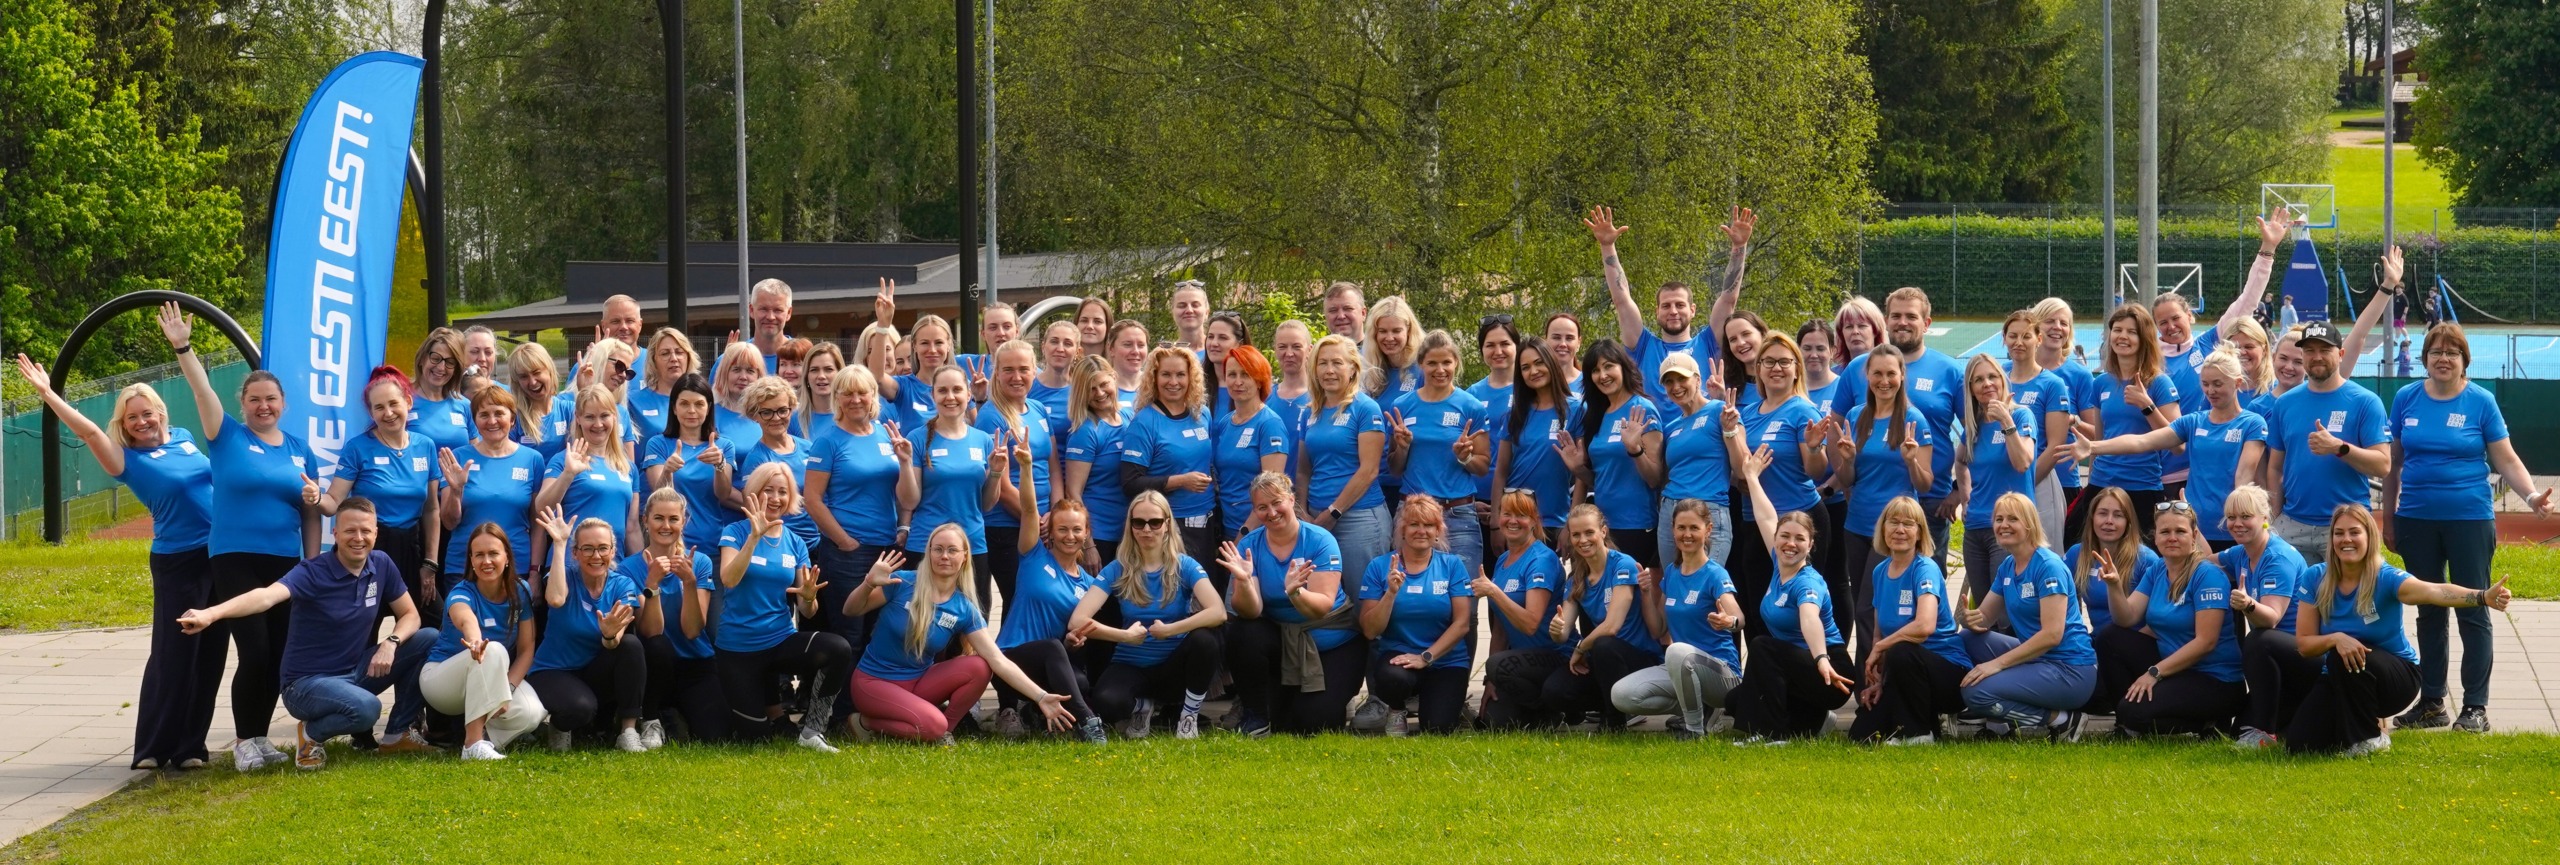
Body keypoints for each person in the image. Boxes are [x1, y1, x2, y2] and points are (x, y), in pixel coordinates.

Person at [15, 354, 219, 770]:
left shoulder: (183, 437)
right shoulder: (125, 459)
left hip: (219, 555)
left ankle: (190, 748)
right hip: (178, 561)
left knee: (210, 654)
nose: (141, 422)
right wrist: (48, 393)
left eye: (146, 413)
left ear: (160, 412)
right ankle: (154, 748)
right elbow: (89, 432)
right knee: (173, 653)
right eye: (131, 418)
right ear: (123, 425)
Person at [163, 302, 320, 771]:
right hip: (235, 558)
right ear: (243, 404)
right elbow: (201, 388)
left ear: (283, 403)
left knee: (277, 655)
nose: (263, 405)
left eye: (271, 399)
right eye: (254, 399)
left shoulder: (299, 450)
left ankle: (260, 736)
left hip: (286, 564)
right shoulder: (226, 435)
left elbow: (311, 512)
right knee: (254, 650)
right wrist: (183, 348)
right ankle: (243, 741)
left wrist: (312, 564)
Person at [176, 498, 437, 769]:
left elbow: (411, 615)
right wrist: (211, 614)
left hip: (355, 672)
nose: (358, 538)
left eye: (365, 531)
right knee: (367, 709)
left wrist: (390, 643)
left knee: (428, 638)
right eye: (350, 531)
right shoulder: (312, 572)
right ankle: (311, 734)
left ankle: (396, 735)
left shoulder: (381, 563)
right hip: (306, 685)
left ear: (375, 533)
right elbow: (265, 597)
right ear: (335, 533)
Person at [2384, 323, 2551, 732]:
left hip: (2470, 520)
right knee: (2429, 609)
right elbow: (2393, 464)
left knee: (2475, 608)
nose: (2443, 359)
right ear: (2424, 358)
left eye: (2452, 352)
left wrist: (2531, 497)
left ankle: (2475, 707)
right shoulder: (2406, 398)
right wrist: (2389, 518)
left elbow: (2506, 459)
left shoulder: (2481, 401)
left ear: (2464, 361)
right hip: (2416, 519)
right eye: (2436, 352)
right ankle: (2432, 703)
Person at [2285, 505, 2511, 755]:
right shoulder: (2315, 577)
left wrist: (2481, 596)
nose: (2346, 539)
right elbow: (2304, 645)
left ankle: (2370, 740)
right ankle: (2360, 726)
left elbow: (2434, 591)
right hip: (2340, 674)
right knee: (2300, 744)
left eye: (2354, 532)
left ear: (2369, 537)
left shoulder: (2386, 577)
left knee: (2343, 657)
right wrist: (2336, 638)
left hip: (2395, 678)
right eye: (2339, 533)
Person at [847, 525, 1077, 744]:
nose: (944, 556)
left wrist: (1040, 696)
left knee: (980, 666)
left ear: (964, 556)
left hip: (918, 682)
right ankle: (865, 722)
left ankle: (942, 731)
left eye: (952, 550)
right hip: (874, 682)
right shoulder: (903, 582)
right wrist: (868, 583)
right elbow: (851, 610)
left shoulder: (964, 608)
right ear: (929, 553)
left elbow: (997, 659)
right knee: (933, 724)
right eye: (938, 549)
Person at [1722, 446, 1855, 743]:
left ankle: (1772, 734)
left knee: (1762, 646)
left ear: (1810, 545)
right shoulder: (1778, 563)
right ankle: (1814, 719)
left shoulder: (1808, 582)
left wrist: (1821, 658)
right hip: (1797, 668)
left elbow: (1809, 618)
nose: (1790, 544)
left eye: (1799, 539)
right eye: (1785, 536)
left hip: (1830, 670)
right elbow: (1766, 515)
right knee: (1734, 701)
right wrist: (1751, 477)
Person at [714, 463, 852, 750]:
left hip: (779, 641)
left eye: (783, 491)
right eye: (769, 490)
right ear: (754, 493)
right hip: (739, 649)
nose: (775, 498)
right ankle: (771, 716)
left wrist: (809, 596)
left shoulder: (796, 542)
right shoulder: (734, 532)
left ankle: (812, 731)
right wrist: (754, 538)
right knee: (755, 740)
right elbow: (729, 578)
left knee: (838, 648)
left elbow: (807, 610)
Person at [2149, 210, 2287, 495]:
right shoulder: (2151, 361)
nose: (2171, 326)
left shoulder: (2209, 343)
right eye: (2162, 322)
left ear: (2190, 316)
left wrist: (2267, 250)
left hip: (2209, 468)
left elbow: (2247, 300)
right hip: (2165, 471)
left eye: (2176, 318)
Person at [2074, 352, 2266, 552]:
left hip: (2232, 527)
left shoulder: (2252, 423)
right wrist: (2093, 446)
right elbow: (2142, 441)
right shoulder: (2193, 421)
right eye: (2205, 384)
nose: (2210, 391)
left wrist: (2239, 519)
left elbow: (2243, 477)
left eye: (2218, 384)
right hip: (2195, 527)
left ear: (2237, 383)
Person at [1075, 491, 1228, 739]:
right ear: (1130, 526)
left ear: (1167, 524)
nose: (1147, 529)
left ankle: (1188, 717)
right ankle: (1142, 707)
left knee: (1206, 640)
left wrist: (1171, 630)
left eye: (1155, 522)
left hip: (1175, 667)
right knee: (1106, 704)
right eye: (1139, 522)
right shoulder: (1117, 568)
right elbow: (1078, 621)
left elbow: (1218, 611)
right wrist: (1124, 636)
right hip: (1131, 663)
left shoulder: (1185, 565)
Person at [2083, 500, 2243, 736]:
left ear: (2194, 536)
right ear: (2155, 537)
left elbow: (2206, 642)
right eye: (2165, 532)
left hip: (2215, 679)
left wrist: (2154, 673)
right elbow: (2126, 619)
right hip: (2175, 668)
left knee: (2133, 712)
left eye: (2180, 531)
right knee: (2110, 637)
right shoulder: (2158, 569)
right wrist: (2114, 586)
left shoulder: (2208, 575)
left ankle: (2209, 723)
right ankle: (2127, 722)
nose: (2172, 538)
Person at [988, 435, 1110, 743]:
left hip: (1050, 665)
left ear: (1087, 533)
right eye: (1062, 529)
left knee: (1078, 679)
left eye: (1077, 529)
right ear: (1051, 532)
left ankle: (1037, 714)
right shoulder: (1033, 556)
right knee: (1052, 648)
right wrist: (1026, 466)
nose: (1070, 536)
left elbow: (1069, 640)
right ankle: (1088, 722)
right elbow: (1029, 510)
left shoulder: (1088, 585)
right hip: (1009, 662)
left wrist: (1072, 642)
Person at [1219, 472, 1359, 736]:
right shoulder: (1249, 544)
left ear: (1291, 500)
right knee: (1243, 631)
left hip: (1331, 641)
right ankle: (1256, 717)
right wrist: (1245, 582)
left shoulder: (1320, 540)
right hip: (1281, 640)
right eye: (1262, 507)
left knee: (1312, 725)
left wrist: (1296, 593)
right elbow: (1250, 611)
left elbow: (1322, 607)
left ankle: (1337, 698)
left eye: (1276, 503)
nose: (1271, 513)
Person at [1828, 287, 1963, 560]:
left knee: (1926, 582)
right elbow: (1836, 429)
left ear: (1926, 323)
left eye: (1911, 316)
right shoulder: (1858, 368)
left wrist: (1958, 490)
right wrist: (1846, 482)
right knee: (1873, 583)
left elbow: (1974, 432)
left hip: (1932, 501)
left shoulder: (1949, 370)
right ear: (1886, 321)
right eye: (1896, 316)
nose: (1902, 322)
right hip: (1870, 503)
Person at [1960, 493, 2099, 741]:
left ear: (2029, 524)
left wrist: (1996, 664)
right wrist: (1969, 619)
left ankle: (2060, 720)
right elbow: (1985, 618)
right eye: (1999, 519)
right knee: (1968, 639)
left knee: (1976, 693)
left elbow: (2052, 635)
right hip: (2038, 661)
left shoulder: (2048, 566)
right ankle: (1999, 718)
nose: (2003, 525)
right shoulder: (2008, 566)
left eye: (2012, 519)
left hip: (2070, 669)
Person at [1827, 346, 1936, 660]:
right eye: (1877, 373)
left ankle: (1878, 672)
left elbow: (1924, 484)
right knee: (1863, 607)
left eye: (1891, 373)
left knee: (1871, 607)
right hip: (1858, 526)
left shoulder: (1913, 420)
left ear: (1902, 375)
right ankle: (1870, 676)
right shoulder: (1855, 416)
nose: (1884, 381)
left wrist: (1911, 462)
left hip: (1895, 532)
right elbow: (1848, 480)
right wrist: (1847, 461)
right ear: (1867, 376)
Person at [1588, 204, 1756, 406]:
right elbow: (1621, 300)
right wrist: (1607, 246)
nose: (1673, 311)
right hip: (1652, 426)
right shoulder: (1643, 346)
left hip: (1700, 425)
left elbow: (1728, 299)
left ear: (1692, 310)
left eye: (1680, 305)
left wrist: (1739, 246)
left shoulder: (1708, 342)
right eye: (1666, 306)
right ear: (1657, 311)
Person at [804, 365, 915, 667]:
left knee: (881, 633)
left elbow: (905, 495)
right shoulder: (828, 441)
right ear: (837, 398)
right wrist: (844, 541)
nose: (855, 400)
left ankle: (872, 694)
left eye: (862, 392)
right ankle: (843, 697)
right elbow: (812, 499)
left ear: (873, 395)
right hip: (848, 554)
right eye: (847, 393)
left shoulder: (885, 433)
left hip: (887, 549)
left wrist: (903, 525)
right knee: (849, 637)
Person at [321, 368, 443, 634]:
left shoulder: (425, 446)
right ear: (371, 412)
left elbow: (432, 510)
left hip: (412, 548)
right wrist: (315, 498)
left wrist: (430, 563)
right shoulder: (358, 447)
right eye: (379, 407)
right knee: (362, 630)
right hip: (370, 548)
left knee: (435, 624)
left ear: (408, 402)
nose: (388, 413)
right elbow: (333, 501)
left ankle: (406, 662)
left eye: (393, 404)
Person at [1610, 499, 1744, 739]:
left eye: (1694, 528)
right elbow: (1658, 628)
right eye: (1681, 527)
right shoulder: (1671, 572)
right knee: (1621, 695)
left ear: (1708, 530)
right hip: (1680, 666)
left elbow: (1739, 618)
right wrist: (1645, 593)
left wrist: (1729, 621)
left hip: (1722, 674)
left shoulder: (1715, 573)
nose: (1687, 534)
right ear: (1673, 530)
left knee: (1676, 651)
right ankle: (1700, 710)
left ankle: (1694, 730)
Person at [2264, 319, 2391, 561]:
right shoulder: (2285, 404)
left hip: (2347, 526)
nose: (2317, 357)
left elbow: (2383, 465)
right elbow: (2275, 467)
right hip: (2292, 524)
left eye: (2325, 350)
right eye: (2310, 350)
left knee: (2351, 587)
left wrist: (2339, 448)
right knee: (2292, 588)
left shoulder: (2365, 401)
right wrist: (2276, 516)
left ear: (2340, 354)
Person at [1729, 332, 1828, 641]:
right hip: (1754, 521)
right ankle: (1762, 667)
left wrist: (1814, 447)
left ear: (1796, 369)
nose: (1776, 368)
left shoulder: (1803, 410)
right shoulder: (1746, 414)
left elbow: (1815, 472)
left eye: (1784, 362)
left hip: (1798, 521)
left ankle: (1808, 665)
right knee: (1757, 606)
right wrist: (1730, 433)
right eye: (1769, 361)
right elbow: (1741, 471)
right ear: (1758, 368)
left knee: (1795, 610)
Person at [525, 509, 650, 752]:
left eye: (603, 548)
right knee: (580, 708)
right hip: (553, 672)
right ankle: (559, 725)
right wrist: (559, 544)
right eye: (588, 549)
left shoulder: (622, 584)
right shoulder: (565, 575)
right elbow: (556, 599)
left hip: (594, 670)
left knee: (631, 645)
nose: (596, 556)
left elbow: (615, 643)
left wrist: (609, 634)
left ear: (612, 551)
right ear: (576, 553)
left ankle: (628, 731)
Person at [1847, 497, 1969, 745]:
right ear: (1883, 528)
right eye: (1893, 522)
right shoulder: (1880, 572)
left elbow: (1924, 626)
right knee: (1861, 734)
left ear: (1919, 532)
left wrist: (1882, 647)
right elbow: (1879, 633)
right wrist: (1880, 681)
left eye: (1908, 524)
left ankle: (1919, 734)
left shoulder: (1925, 568)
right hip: (1904, 672)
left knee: (1901, 649)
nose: (1900, 530)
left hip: (1949, 673)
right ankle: (1926, 723)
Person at [1350, 497, 1475, 735]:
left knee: (1438, 728)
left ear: (1438, 531)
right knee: (1392, 677)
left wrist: (1426, 657)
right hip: (1400, 659)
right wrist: (1390, 594)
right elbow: (1370, 630)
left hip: (1446, 661)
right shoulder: (1379, 566)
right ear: (1402, 529)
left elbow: (1462, 624)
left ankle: (1444, 702)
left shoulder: (1452, 565)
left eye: (1428, 525)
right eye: (1414, 524)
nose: (1421, 531)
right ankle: (1396, 710)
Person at [422, 524, 545, 760]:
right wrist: (475, 641)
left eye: (493, 553)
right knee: (494, 650)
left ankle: (484, 737)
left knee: (532, 713)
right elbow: (465, 618)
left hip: (489, 676)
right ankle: (473, 745)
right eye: (479, 555)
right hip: (441, 682)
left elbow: (527, 649)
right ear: (471, 560)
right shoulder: (461, 592)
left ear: (507, 557)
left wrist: (506, 691)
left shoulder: (521, 591)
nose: (486, 561)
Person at [1539, 505, 1661, 730]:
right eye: (1576, 534)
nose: (1583, 540)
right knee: (1554, 691)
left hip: (1639, 660)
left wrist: (1580, 648)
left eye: (1589, 532)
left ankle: (1615, 722)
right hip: (1605, 662)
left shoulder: (1622, 564)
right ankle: (1610, 705)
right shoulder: (1576, 578)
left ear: (1603, 531)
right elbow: (1563, 633)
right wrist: (1556, 630)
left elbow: (1612, 626)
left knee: (1604, 645)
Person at [621, 488, 727, 744]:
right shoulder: (629, 568)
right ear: (645, 520)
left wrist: (689, 583)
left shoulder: (699, 562)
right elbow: (651, 632)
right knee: (658, 646)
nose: (666, 526)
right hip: (654, 666)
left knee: (716, 736)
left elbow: (692, 630)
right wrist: (652, 584)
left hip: (695, 662)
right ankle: (654, 717)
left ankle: (677, 712)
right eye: (658, 518)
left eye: (673, 519)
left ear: (684, 521)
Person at [1388, 331, 1490, 579]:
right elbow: (1395, 468)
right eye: (1432, 363)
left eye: (1446, 362)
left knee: (1464, 591)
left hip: (1458, 513)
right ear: (1421, 365)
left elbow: (1483, 466)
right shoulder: (1402, 405)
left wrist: (1465, 457)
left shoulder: (1471, 406)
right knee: (1409, 590)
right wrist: (1402, 447)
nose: (1440, 369)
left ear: (1456, 363)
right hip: (1413, 513)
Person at [2076, 303, 2182, 541]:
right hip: (2102, 487)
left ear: (2144, 339)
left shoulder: (2159, 383)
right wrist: (2092, 484)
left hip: (2141, 487)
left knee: (2141, 558)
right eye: (2117, 330)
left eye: (2131, 332)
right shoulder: (2101, 383)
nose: (2122, 336)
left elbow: (2178, 445)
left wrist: (2147, 406)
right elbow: (2099, 443)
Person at [2219, 485, 2310, 747]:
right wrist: (2190, 524)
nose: (2237, 524)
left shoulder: (2277, 558)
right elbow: (2205, 560)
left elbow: (2271, 619)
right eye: (2231, 517)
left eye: (2246, 516)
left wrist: (2248, 604)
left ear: (2265, 518)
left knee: (2259, 640)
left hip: (2306, 656)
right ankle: (2276, 722)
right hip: (2280, 658)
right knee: (2237, 731)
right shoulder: (2242, 552)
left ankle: (2266, 732)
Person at [1122, 345, 1222, 580]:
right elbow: (1130, 483)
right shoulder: (1145, 422)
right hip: (1169, 526)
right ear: (1154, 378)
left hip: (1207, 521)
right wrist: (1180, 481)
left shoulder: (1202, 414)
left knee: (1206, 592)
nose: (1173, 382)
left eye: (1180, 374)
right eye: (1166, 374)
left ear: (1191, 378)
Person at [1473, 490, 1568, 728]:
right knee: (1494, 721)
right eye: (1507, 514)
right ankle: (1539, 712)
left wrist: (1494, 592)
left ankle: (1553, 710)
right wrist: (1491, 681)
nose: (1513, 521)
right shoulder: (1503, 560)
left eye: (1521, 515)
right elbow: (1500, 629)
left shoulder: (1541, 559)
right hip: (1521, 661)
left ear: (1534, 520)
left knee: (1498, 666)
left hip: (1553, 655)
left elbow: (1530, 623)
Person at [1297, 335, 1391, 576]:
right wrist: (1303, 510)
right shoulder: (1310, 413)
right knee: (1322, 594)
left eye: (1337, 363)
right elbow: (1303, 470)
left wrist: (1334, 512)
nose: (1329, 370)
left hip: (1358, 518)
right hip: (1315, 519)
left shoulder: (1365, 408)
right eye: (1322, 363)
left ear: (1352, 369)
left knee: (1362, 594)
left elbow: (1369, 470)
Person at [977, 340, 1058, 603]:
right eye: (1008, 370)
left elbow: (1053, 465)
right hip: (1009, 527)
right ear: (997, 373)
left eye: (1023, 369)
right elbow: (1001, 487)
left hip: (1045, 522)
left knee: (1039, 602)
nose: (1017, 377)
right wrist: (1036, 522)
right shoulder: (991, 416)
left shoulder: (1037, 409)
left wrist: (1056, 514)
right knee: (1019, 603)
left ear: (1034, 370)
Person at [1953, 353, 2037, 605]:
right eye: (1978, 380)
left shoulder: (2021, 416)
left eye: (1992, 376)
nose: (1987, 383)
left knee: (2007, 607)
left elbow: (2022, 463)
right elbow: (1960, 460)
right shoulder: (1974, 426)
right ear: (1971, 389)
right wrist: (1965, 498)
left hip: (2010, 527)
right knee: (1983, 608)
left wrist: (2005, 421)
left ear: (2002, 380)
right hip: (1975, 528)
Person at [901, 364, 998, 580]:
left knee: (974, 603)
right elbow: (909, 501)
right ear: (932, 395)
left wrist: (997, 473)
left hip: (971, 545)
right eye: (943, 390)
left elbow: (986, 505)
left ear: (969, 394)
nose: (950, 397)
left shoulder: (983, 440)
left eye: (957, 389)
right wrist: (905, 463)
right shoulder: (916, 438)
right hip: (926, 545)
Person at [1574, 339, 1665, 568]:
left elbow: (1655, 478)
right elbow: (1601, 479)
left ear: (1623, 367)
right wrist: (1577, 468)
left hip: (1636, 525)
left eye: (1608, 366)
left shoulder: (1641, 408)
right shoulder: (1596, 414)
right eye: (1595, 370)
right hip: (1602, 527)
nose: (1603, 375)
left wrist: (1635, 450)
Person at [1650, 354, 1741, 569]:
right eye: (1669, 382)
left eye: (1682, 379)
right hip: (1671, 512)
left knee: (1706, 583)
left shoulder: (1721, 411)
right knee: (1673, 580)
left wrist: (1730, 431)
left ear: (1698, 380)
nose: (1676, 387)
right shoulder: (1671, 427)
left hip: (1708, 509)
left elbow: (1741, 468)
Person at [1489, 335, 1585, 536]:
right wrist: (1496, 523)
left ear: (1551, 362)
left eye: (1539, 363)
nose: (1533, 371)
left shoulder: (1576, 410)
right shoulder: (1515, 414)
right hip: (1515, 520)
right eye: (1525, 367)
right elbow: (1501, 470)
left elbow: (1581, 475)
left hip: (1555, 521)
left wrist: (1572, 524)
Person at [1996, 310, 2073, 548]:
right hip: (1999, 483)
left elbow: (2055, 446)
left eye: (2026, 336)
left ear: (2039, 339)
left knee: (2041, 553)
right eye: (2013, 336)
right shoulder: (1997, 378)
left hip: (2038, 483)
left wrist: (2025, 482)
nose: (2019, 342)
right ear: (2004, 339)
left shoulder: (2052, 384)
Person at [538, 385, 643, 556]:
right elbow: (542, 508)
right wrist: (568, 474)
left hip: (613, 564)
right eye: (590, 417)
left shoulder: (628, 467)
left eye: (604, 416)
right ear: (578, 418)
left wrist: (641, 567)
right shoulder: (563, 460)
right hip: (570, 563)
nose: (598, 424)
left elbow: (632, 528)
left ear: (614, 417)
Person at [644, 373, 741, 552]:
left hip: (712, 543)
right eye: (684, 404)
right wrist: (667, 471)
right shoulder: (657, 444)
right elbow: (658, 496)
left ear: (709, 408)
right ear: (674, 408)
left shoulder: (724, 446)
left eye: (699, 404)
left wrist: (719, 465)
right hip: (670, 545)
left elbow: (723, 494)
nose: (691, 410)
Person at [1214, 344, 1293, 544]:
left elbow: (1271, 492)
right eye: (1232, 375)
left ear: (1259, 380)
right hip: (1226, 527)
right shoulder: (1225, 423)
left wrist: (1244, 534)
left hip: (1258, 532)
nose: (1238, 382)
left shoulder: (1269, 424)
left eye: (1246, 375)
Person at [2030, 297, 2098, 523]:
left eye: (2064, 323)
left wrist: (2073, 421)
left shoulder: (2079, 375)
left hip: (2063, 481)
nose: (2057, 327)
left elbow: (2097, 434)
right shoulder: (2010, 371)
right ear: (2036, 326)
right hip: (2015, 476)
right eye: (2050, 321)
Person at [1062, 356, 1133, 563]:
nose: (1100, 393)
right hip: (1101, 534)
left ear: (1114, 378)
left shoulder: (1129, 417)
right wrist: (1088, 543)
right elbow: (1073, 492)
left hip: (1129, 532)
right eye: (1091, 389)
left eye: (1103, 385)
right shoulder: (1086, 431)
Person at [2065, 487, 2158, 633]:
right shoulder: (2076, 554)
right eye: (2102, 513)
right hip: (2095, 640)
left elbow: (2159, 622)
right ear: (2092, 518)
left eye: (2118, 515)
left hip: (2135, 639)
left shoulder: (2146, 559)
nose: (2109, 521)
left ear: (2128, 522)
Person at [1362, 297, 1425, 504]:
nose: (1389, 338)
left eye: (1396, 331)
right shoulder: (1369, 371)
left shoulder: (1423, 370)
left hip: (1413, 482)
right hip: (1374, 478)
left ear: (1409, 331)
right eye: (1383, 331)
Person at [408, 328, 475, 453]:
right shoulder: (402, 401)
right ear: (422, 358)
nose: (441, 367)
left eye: (450, 362)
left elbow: (475, 452)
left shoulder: (464, 405)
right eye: (435, 358)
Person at [629, 327, 700, 438]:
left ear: (688, 357)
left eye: (679, 352)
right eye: (665, 353)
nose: (673, 358)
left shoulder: (703, 399)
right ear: (653, 360)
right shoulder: (633, 402)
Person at [507, 341, 572, 459]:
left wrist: (586, 388)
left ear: (549, 370)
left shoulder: (567, 410)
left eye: (536, 373)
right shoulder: (513, 417)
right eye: (524, 376)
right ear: (517, 381)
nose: (532, 382)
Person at [1270, 320, 1318, 474]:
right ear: (1275, 350)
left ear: (1309, 350)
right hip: (1272, 486)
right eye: (1282, 347)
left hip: (1312, 486)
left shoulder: (1321, 397)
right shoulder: (1264, 398)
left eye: (1296, 347)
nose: (1289, 354)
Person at [1032, 321, 1082, 445]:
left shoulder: (1083, 390)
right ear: (1043, 347)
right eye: (1054, 342)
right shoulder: (1027, 388)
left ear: (1077, 351)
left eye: (1067, 344)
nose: (1060, 349)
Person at [708, 342, 767, 446]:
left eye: (750, 371)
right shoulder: (708, 414)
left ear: (759, 376)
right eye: (736, 370)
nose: (743, 377)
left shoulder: (769, 414)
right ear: (724, 374)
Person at [792, 341, 843, 439]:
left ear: (840, 373)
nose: (821, 376)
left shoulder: (851, 416)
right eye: (814, 370)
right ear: (806, 376)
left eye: (828, 369)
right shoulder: (794, 419)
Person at [744, 280, 795, 373]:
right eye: (763, 309)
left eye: (778, 310)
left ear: (788, 313)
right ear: (751, 310)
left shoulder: (806, 358)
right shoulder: (731, 360)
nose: (770, 317)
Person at [1105, 320, 1151, 412]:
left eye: (1141, 345)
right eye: (1127, 345)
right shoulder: (1100, 389)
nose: (1136, 351)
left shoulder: (1157, 386)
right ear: (1111, 349)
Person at [1833, 297, 1887, 369]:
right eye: (1849, 327)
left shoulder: (1891, 371)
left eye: (1862, 326)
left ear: (1876, 331)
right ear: (1841, 334)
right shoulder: (1834, 374)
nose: (1855, 331)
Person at [1543, 313, 1586, 396]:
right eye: (1556, 337)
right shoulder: (1535, 382)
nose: (1563, 344)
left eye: (1569, 338)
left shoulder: (1590, 383)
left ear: (1579, 343)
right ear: (1545, 340)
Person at [1322, 281, 1367, 346]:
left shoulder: (1379, 351)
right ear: (1325, 317)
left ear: (1363, 313)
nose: (1341, 316)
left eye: (1348, 309)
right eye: (1333, 310)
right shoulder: (1316, 352)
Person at [1169, 279, 1210, 348]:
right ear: (1172, 313)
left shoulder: (1221, 351)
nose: (1189, 310)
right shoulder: (1165, 353)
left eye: (1195, 305)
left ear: (1207, 312)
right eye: (1182, 306)